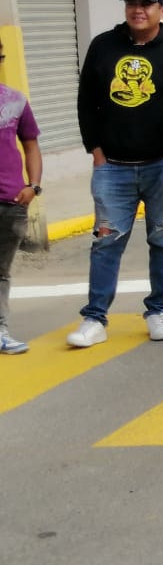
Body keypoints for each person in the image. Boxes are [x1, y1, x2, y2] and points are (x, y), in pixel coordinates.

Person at [65, 0, 163, 348]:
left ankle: (158, 310)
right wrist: (95, 150)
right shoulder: (102, 46)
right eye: (131, 2)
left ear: (162, 9)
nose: (137, 10)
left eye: (145, 3)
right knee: (106, 242)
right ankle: (94, 318)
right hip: (112, 166)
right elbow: (86, 103)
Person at [0, 41, 43, 355]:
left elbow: (30, 145)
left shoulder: (15, 101)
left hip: (11, 202)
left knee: (1, 271)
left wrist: (34, 186)